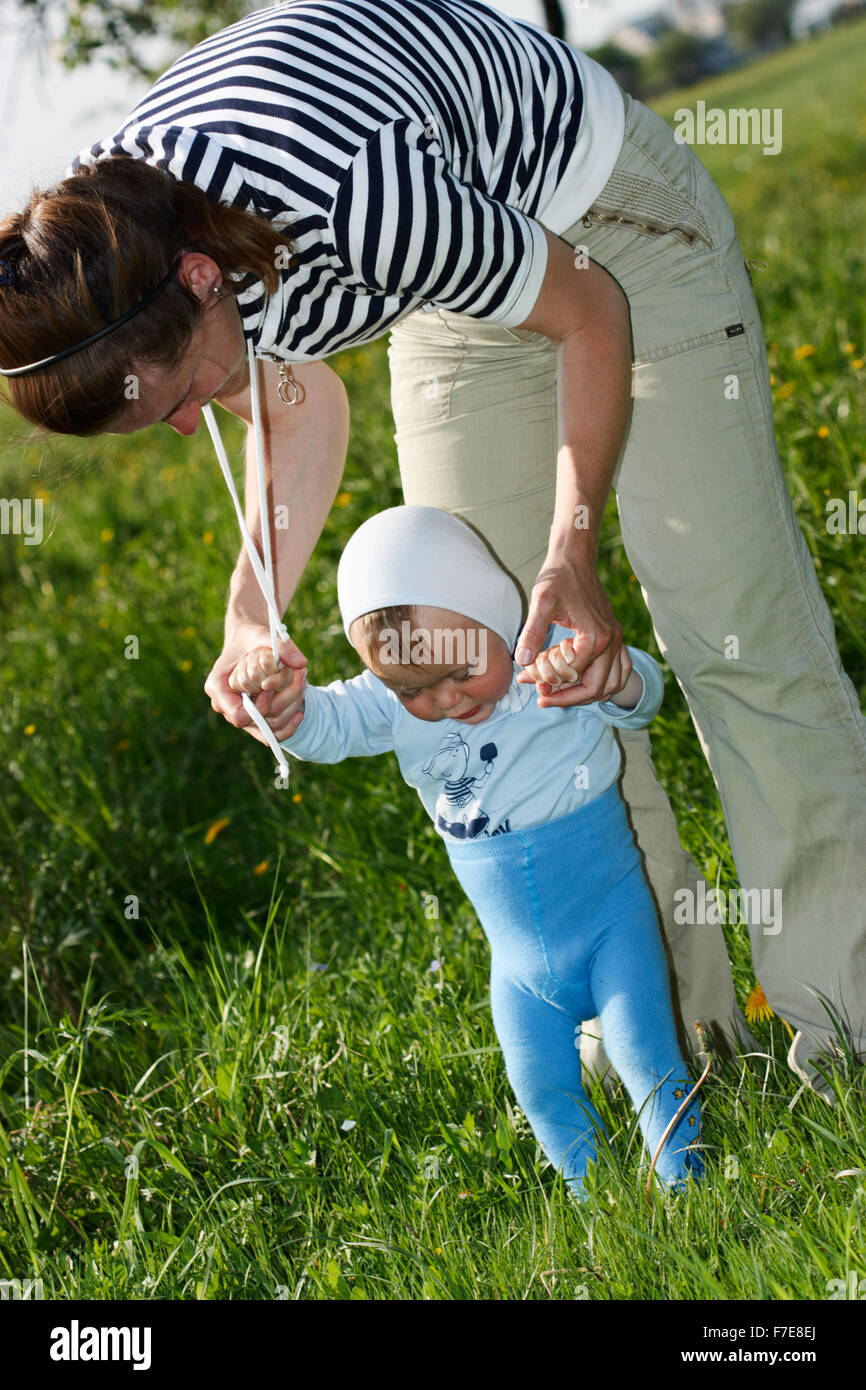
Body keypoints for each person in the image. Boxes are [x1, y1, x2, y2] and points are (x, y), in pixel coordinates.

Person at [0, 0, 862, 1088]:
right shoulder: (102, 246)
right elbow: (297, 401)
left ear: (202, 280)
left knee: (730, 631)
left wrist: (571, 551)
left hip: (607, 232)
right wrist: (250, 609)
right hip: (452, 281)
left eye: (177, 400)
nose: (187, 426)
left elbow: (586, 311)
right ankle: (671, 1037)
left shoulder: (344, 194)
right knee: (512, 668)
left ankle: (847, 1022)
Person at [230, 504, 705, 1200]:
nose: (445, 699)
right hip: (517, 965)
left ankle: (689, 1191)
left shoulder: (549, 662)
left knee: (645, 1058)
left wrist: (616, 677)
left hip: (612, 927)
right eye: (413, 689)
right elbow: (327, 727)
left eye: (460, 671)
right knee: (538, 1086)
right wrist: (282, 710)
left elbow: (642, 693)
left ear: (495, 614)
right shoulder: (395, 700)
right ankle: (594, 1200)